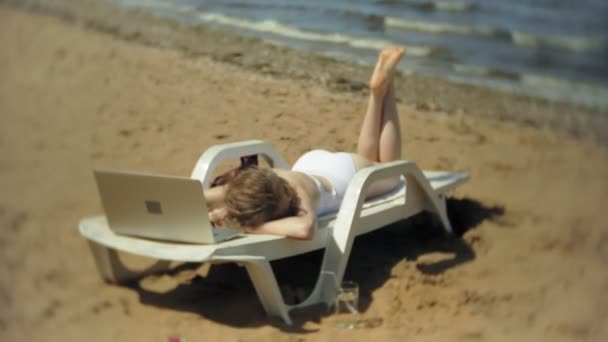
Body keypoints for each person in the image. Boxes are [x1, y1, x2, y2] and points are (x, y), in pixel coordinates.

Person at [205, 46, 406, 240]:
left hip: (345, 174)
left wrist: (248, 226)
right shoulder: (257, 184)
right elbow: (203, 196)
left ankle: (381, 92)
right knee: (369, 160)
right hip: (318, 167)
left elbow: (305, 229)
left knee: (391, 170)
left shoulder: (296, 193)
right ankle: (381, 89)